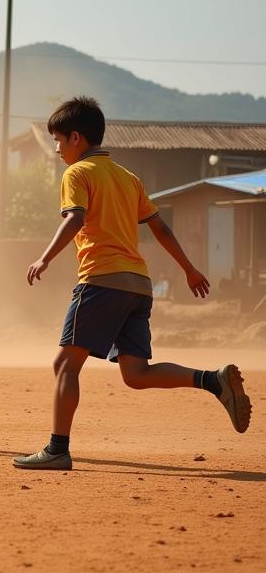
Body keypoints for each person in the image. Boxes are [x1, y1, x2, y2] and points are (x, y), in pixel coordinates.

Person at [14, 95, 252, 471]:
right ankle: (212, 380)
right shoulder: (128, 178)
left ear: (76, 138)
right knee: (137, 374)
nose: (57, 149)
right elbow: (160, 227)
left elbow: (75, 218)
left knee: (65, 364)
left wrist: (45, 256)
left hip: (102, 280)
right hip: (138, 284)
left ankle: (57, 449)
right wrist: (189, 269)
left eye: (59, 140)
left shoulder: (77, 173)